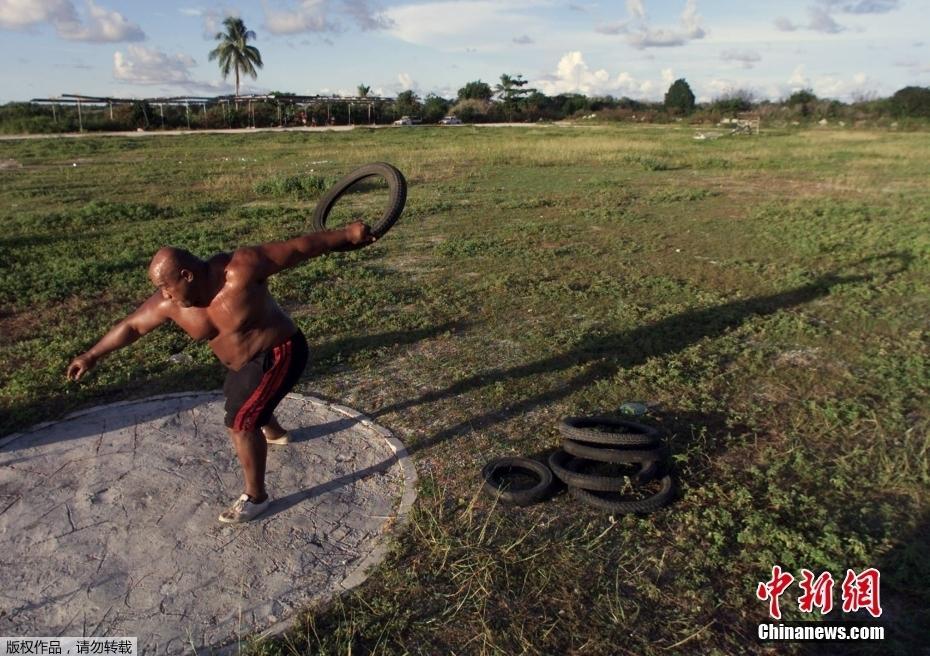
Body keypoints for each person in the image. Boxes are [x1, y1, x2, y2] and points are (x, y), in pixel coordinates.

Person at [66, 221, 376, 523]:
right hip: (243, 364)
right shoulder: (169, 303)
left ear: (186, 275)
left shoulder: (241, 268)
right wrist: (92, 354)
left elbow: (299, 248)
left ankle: (256, 498)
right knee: (242, 395)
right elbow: (132, 326)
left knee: (241, 421)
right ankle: (277, 433)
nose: (164, 294)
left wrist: (348, 234)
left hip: (280, 351)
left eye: (167, 286)